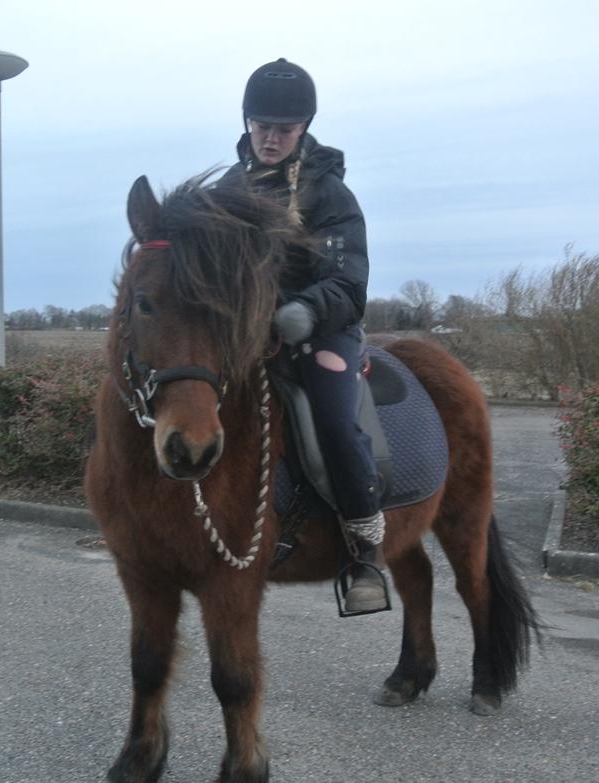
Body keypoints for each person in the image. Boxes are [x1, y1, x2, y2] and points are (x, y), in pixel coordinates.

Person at [220, 58, 386, 613]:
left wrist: (301, 312)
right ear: (247, 123)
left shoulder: (329, 194)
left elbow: (349, 285)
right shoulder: (225, 189)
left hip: (320, 332)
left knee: (336, 422)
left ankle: (365, 552)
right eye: (262, 126)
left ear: (304, 129)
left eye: (284, 130)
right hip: (245, 335)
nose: (271, 139)